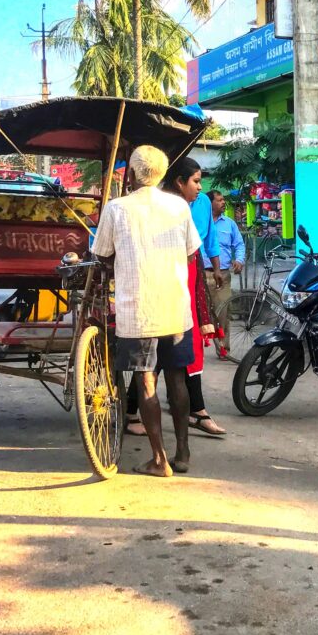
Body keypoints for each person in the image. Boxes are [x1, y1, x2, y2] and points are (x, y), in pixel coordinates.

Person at [91, 145, 201, 477]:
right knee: (177, 378)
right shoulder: (180, 207)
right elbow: (192, 253)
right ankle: (182, 452)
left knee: (146, 380)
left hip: (137, 310)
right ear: (164, 172)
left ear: (134, 173)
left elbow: (101, 254)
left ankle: (159, 459)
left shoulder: (117, 208)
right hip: (174, 307)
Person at [164, 158, 227, 437]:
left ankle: (198, 411)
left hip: (193, 270)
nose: (200, 188)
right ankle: (132, 411)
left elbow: (207, 240)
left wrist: (215, 268)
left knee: (190, 349)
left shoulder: (201, 204)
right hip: (170, 276)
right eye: (196, 181)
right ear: (179, 181)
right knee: (161, 355)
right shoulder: (165, 206)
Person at [205, 190, 246, 361]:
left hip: (222, 274)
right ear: (210, 203)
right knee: (203, 314)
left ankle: (223, 348)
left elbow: (239, 244)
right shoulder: (200, 223)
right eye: (219, 200)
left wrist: (239, 260)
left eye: (223, 200)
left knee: (222, 313)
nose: (223, 203)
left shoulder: (229, 224)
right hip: (201, 273)